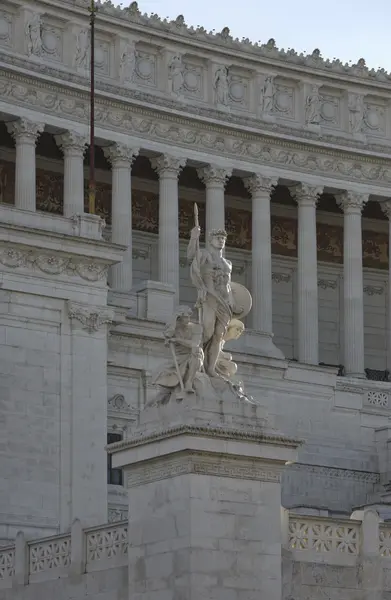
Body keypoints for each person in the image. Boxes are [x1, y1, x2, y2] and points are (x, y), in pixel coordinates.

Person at [187, 227, 234, 377]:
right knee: (207, 331)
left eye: (223, 239)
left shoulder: (228, 263)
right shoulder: (206, 255)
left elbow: (229, 285)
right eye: (218, 238)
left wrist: (231, 301)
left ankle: (211, 369)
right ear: (210, 240)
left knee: (219, 335)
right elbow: (190, 257)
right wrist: (194, 238)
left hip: (225, 302)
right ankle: (195, 359)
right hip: (210, 297)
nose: (221, 241)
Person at [152, 306, 203, 397]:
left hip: (192, 355)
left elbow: (194, 344)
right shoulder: (175, 328)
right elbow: (168, 334)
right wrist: (174, 318)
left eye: (189, 317)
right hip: (179, 358)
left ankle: (189, 383)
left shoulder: (196, 328)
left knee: (197, 352)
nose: (188, 319)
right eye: (185, 317)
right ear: (179, 318)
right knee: (164, 376)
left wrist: (177, 340)